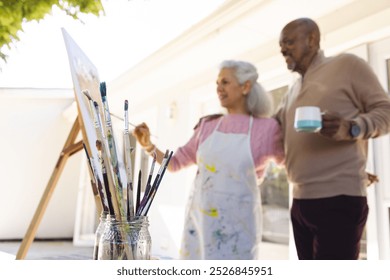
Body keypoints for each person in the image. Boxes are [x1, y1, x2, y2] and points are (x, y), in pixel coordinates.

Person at [132, 60, 284, 260]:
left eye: (225, 82)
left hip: (239, 229)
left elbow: (290, 164)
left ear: (245, 87)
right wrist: (148, 145)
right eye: (217, 83)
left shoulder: (267, 129)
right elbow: (176, 163)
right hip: (200, 225)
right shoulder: (207, 126)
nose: (218, 88)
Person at [274, 17, 390, 260]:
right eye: (281, 45)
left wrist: (352, 129)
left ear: (312, 39)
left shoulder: (347, 65)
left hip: (338, 201)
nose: (283, 48)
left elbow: (386, 112)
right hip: (300, 201)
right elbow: (271, 130)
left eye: (289, 42)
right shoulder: (292, 91)